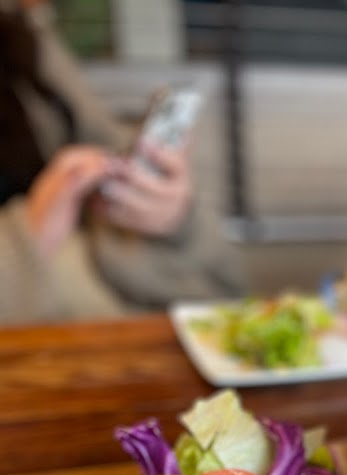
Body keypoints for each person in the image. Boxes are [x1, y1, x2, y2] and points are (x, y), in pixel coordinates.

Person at [0, 0, 243, 324]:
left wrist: (158, 200)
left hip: (101, 256)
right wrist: (27, 234)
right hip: (40, 288)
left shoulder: (25, 37)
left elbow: (102, 137)